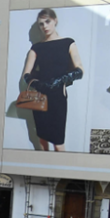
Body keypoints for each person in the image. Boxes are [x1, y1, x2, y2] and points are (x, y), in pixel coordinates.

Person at [22, 8, 84, 152]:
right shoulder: (36, 47)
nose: (45, 26)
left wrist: (60, 80)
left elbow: (80, 70)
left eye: (47, 21)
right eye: (41, 24)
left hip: (58, 96)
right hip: (40, 96)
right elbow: (26, 75)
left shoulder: (68, 43)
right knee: (42, 138)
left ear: (55, 20)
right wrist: (39, 84)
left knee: (58, 141)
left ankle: (61, 172)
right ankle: (46, 169)